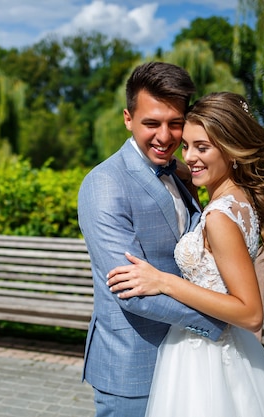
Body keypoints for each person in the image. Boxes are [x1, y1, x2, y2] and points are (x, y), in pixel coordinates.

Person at [106, 92, 264, 416]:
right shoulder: (239, 199)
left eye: (203, 147)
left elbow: (250, 312)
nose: (190, 157)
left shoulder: (219, 217)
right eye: (186, 146)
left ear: (231, 149)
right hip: (226, 347)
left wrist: (164, 282)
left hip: (203, 356)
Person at [77, 62, 226, 417]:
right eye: (151, 123)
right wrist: (219, 321)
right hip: (134, 363)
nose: (165, 136)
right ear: (128, 118)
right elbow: (131, 292)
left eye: (175, 123)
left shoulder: (180, 172)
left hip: (187, 360)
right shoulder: (104, 183)